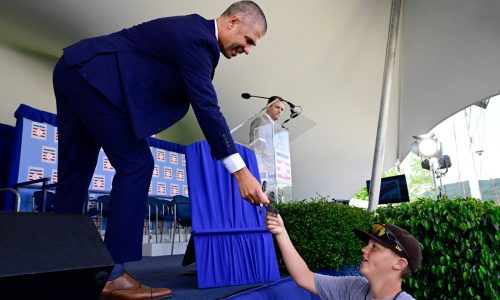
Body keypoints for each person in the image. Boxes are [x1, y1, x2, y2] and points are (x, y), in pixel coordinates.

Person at [52, 1, 269, 299]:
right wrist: (240, 172)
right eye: (248, 40)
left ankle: (63, 266)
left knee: (75, 173)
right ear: (232, 22)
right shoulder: (199, 39)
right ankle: (113, 275)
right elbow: (206, 107)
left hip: (74, 69)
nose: (248, 50)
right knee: (137, 164)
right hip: (93, 77)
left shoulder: (193, 34)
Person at [265, 213, 422, 300]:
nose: (364, 249)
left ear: (399, 263)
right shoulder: (353, 287)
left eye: (374, 247)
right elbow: (304, 277)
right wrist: (281, 231)